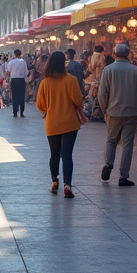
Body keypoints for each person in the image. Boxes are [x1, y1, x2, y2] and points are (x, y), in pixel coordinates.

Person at [36, 51, 84, 199]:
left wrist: (47, 111)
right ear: (64, 63)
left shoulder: (45, 82)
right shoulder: (71, 79)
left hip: (52, 123)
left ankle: (55, 181)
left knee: (54, 154)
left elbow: (40, 104)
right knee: (67, 154)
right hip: (70, 122)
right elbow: (78, 100)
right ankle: (67, 185)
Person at [98, 43, 137, 187]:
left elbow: (102, 93)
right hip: (131, 112)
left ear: (114, 53)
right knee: (128, 144)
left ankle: (109, 164)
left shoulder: (108, 70)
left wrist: (104, 109)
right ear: (128, 54)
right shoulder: (135, 70)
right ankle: (123, 176)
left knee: (111, 140)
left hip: (113, 111)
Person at [7, 49, 28, 117]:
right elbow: (26, 73)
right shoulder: (23, 62)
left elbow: (8, 71)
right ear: (20, 54)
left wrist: (7, 79)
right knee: (21, 96)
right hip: (22, 80)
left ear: (14, 54)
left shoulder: (11, 62)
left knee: (15, 96)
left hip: (14, 80)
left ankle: (15, 111)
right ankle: (22, 112)